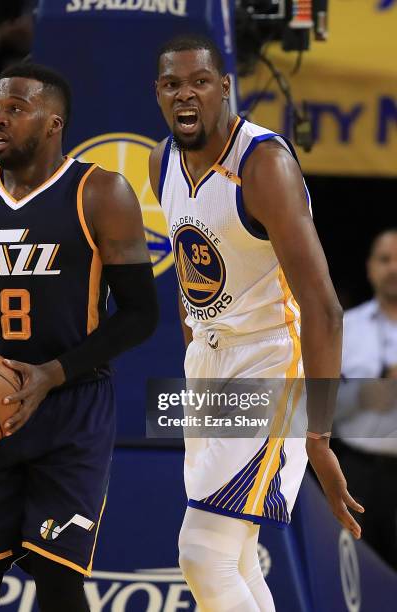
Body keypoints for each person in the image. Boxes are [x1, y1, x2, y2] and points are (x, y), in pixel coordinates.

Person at [0, 61, 158, 612]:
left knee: (59, 587)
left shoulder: (100, 193)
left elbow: (141, 315)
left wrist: (51, 374)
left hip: (69, 409)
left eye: (16, 110)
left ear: (53, 123)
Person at [149, 34, 363, 612]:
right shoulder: (161, 160)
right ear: (158, 94)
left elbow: (324, 308)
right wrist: (196, 358)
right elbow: (190, 276)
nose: (185, 94)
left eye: (199, 82)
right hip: (210, 364)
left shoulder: (263, 164)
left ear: (225, 88)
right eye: (172, 84)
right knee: (235, 556)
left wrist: (317, 434)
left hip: (273, 362)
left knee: (202, 553)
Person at [335, 229, 397, 569]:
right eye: (385, 260)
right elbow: (310, 400)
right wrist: (358, 395)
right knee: (355, 572)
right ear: (370, 268)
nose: (393, 268)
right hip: (356, 473)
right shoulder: (344, 327)